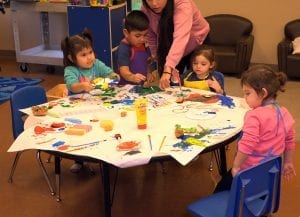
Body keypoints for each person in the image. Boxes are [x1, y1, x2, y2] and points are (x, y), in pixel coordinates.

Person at [214, 64, 296, 193]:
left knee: (220, 189)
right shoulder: (285, 113)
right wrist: (288, 162)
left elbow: (247, 145)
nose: (245, 98)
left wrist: (236, 167)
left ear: (263, 93)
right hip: (269, 174)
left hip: (247, 172)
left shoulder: (254, 116)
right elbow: (290, 140)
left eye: (247, 93)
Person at [61, 29, 119, 173]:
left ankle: (103, 152)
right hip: (78, 108)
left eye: (90, 52)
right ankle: (79, 160)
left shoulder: (96, 64)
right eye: (83, 55)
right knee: (81, 131)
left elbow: (109, 73)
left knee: (102, 126)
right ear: (71, 57)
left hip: (96, 105)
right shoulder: (71, 70)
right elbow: (71, 86)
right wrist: (82, 85)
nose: (89, 58)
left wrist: (114, 76)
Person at [141, 0, 210, 90]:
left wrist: (168, 68)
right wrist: (156, 54)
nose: (154, 3)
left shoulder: (183, 3)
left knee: (197, 80)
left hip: (195, 41)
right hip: (170, 43)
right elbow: (152, 35)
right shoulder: (145, 9)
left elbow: (180, 37)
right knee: (171, 83)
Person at [117, 10, 156, 86]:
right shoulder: (124, 48)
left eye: (145, 35)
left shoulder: (144, 44)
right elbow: (123, 71)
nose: (142, 39)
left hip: (140, 87)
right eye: (137, 36)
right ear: (126, 33)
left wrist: (148, 73)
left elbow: (146, 62)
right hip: (126, 89)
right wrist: (132, 77)